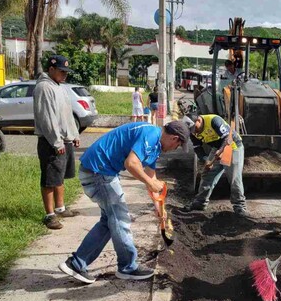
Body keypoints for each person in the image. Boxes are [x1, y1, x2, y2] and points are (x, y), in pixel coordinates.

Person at [58, 120, 190, 284]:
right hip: (99, 172)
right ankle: (128, 267)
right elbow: (132, 164)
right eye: (177, 146)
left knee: (109, 221)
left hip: (100, 171)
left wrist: (159, 208)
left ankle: (77, 263)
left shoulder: (155, 143)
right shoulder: (150, 135)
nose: (174, 149)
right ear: (174, 138)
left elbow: (151, 175)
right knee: (120, 220)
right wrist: (150, 183)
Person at [33, 55, 80, 230]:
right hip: (51, 141)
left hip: (64, 139)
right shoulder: (45, 87)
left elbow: (67, 114)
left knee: (60, 176)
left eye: (66, 72)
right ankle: (49, 214)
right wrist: (56, 142)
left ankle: (60, 208)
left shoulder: (60, 86)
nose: (65, 75)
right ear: (51, 69)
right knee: (50, 178)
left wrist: (74, 134)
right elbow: (47, 119)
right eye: (62, 71)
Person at [181, 113, 249, 218]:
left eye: (195, 128)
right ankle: (200, 203)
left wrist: (221, 151)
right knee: (207, 174)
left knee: (234, 177)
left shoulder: (214, 120)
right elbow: (197, 147)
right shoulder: (192, 131)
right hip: (216, 147)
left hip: (232, 147)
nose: (194, 132)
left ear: (198, 120)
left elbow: (227, 138)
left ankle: (239, 206)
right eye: (192, 130)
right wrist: (205, 160)